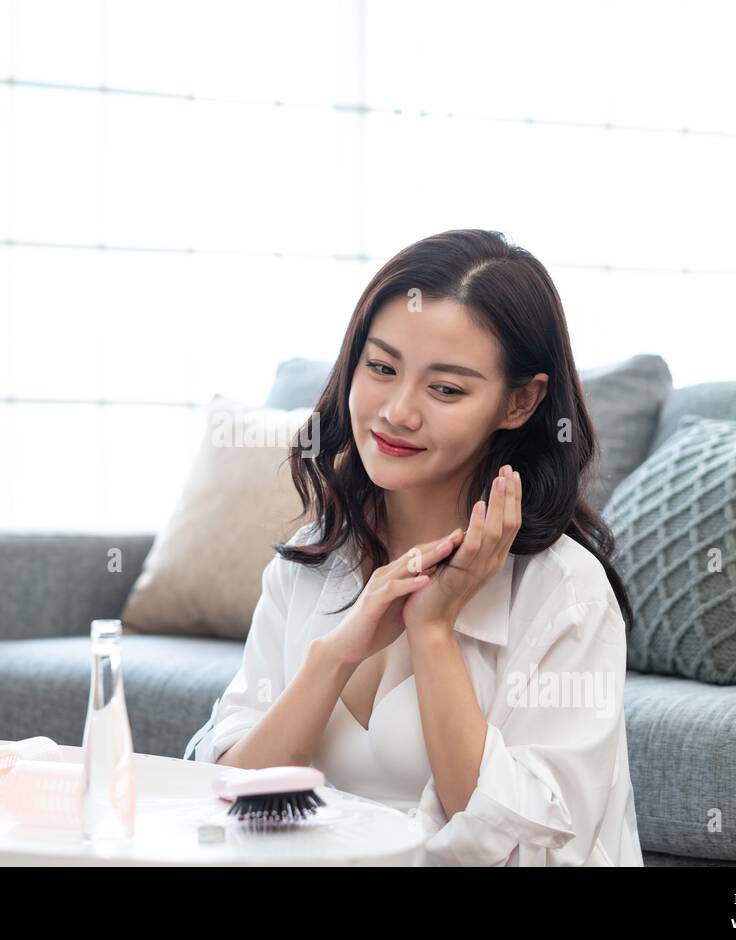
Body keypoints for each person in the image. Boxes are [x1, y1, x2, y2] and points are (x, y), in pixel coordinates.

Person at [185, 228, 644, 866]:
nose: (398, 412)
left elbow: (529, 855)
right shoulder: (315, 558)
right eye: (381, 368)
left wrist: (433, 633)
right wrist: (332, 659)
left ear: (519, 402)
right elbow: (231, 802)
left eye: (446, 389)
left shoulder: (562, 589)